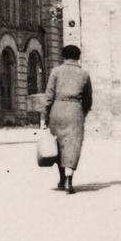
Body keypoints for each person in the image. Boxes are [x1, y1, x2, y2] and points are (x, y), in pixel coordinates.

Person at [43, 44, 92, 194]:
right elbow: (88, 99)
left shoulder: (55, 72)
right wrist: (81, 112)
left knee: (58, 146)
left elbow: (48, 96)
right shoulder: (84, 74)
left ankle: (61, 179)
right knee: (72, 146)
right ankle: (69, 183)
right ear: (78, 57)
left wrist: (45, 115)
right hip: (74, 111)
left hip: (57, 110)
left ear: (63, 57)